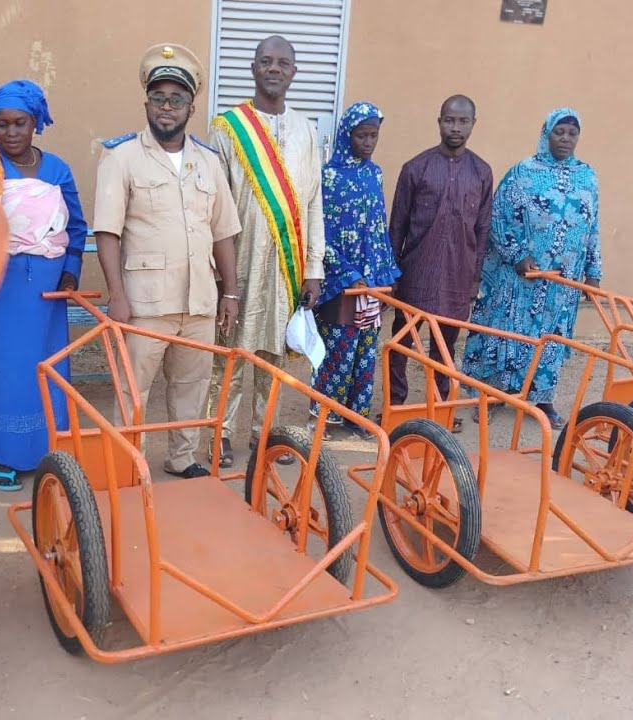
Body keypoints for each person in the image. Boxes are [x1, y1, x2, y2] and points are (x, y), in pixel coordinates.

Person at [92, 43, 241, 478]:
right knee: (132, 387)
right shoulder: (121, 158)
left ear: (191, 108)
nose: (167, 107)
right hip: (145, 302)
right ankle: (123, 461)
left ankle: (182, 457)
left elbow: (224, 232)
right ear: (147, 103)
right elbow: (107, 231)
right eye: (159, 98)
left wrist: (228, 291)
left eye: (177, 99)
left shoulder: (209, 162)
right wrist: (116, 295)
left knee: (192, 385)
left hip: (199, 299)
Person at [204, 35, 326, 468]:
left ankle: (265, 434)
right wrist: (220, 274)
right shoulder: (227, 128)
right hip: (238, 260)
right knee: (231, 352)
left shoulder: (308, 131)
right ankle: (219, 433)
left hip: (287, 266)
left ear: (294, 72)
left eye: (283, 63)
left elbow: (313, 203)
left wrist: (313, 268)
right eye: (266, 61)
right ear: (253, 68)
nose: (274, 69)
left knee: (274, 354)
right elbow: (214, 203)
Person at [0, 79, 88, 491]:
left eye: (20, 123)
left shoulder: (57, 169)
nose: (11, 133)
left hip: (47, 290)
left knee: (45, 364)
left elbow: (76, 224)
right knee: (2, 365)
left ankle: (49, 446)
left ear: (35, 123)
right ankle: (3, 453)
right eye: (2, 124)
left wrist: (72, 268)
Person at [460, 107, 602, 430]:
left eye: (572, 132)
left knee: (551, 340)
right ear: (546, 133)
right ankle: (493, 395)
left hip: (560, 285)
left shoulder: (587, 176)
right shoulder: (523, 173)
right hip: (519, 280)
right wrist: (517, 255)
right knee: (509, 332)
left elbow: (593, 226)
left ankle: (542, 400)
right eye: (559, 132)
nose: (565, 139)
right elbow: (497, 218)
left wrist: (593, 270)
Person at [387, 95, 494, 434]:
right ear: (439, 122)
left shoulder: (481, 172)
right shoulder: (415, 168)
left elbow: (483, 229)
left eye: (463, 121)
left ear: (473, 124)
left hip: (458, 276)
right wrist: (393, 273)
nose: (456, 128)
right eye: (450, 120)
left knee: (445, 346)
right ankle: (396, 406)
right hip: (416, 274)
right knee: (402, 342)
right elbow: (398, 226)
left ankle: (441, 407)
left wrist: (474, 278)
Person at [309, 101, 400, 441]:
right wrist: (347, 273)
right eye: (361, 135)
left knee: (365, 348)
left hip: (371, 280)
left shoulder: (374, 174)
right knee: (337, 349)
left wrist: (384, 274)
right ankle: (325, 415)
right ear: (347, 135)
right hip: (341, 282)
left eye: (373, 136)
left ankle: (356, 415)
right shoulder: (328, 176)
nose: (367, 142)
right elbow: (320, 231)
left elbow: (378, 227)